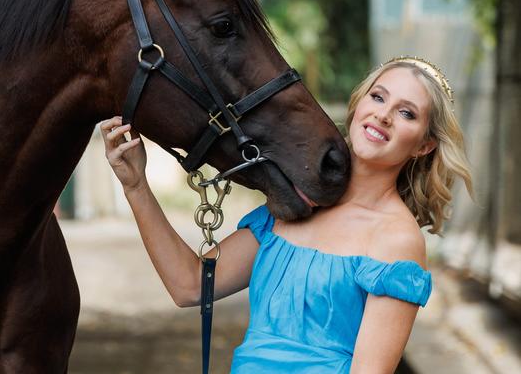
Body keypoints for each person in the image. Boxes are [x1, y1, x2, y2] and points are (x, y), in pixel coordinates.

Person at [100, 56, 473, 373]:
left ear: (424, 145)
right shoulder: (298, 201)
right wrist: (136, 187)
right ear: (358, 105)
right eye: (378, 97)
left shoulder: (396, 239)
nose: (384, 115)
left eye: (406, 112)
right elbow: (191, 284)